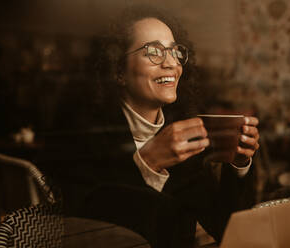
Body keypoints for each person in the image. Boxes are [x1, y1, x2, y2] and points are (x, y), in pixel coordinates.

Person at [46, 4, 260, 248]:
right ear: (119, 72)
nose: (171, 64)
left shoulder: (182, 133)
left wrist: (239, 165)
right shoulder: (84, 132)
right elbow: (83, 229)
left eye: (174, 52)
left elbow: (226, 229)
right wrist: (147, 163)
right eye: (153, 52)